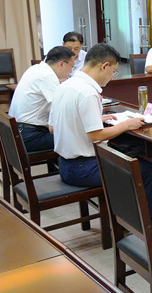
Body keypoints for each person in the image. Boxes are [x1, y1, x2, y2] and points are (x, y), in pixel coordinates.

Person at [49, 43, 145, 187]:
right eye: (114, 71)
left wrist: (93, 120)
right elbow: (96, 136)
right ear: (104, 66)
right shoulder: (87, 92)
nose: (112, 77)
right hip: (85, 169)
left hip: (64, 165)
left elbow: (52, 127)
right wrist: (126, 125)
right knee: (146, 169)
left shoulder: (64, 86)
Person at [8, 46, 76, 152]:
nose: (71, 71)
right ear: (61, 64)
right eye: (72, 66)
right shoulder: (48, 76)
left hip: (17, 132)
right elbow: (62, 108)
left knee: (71, 135)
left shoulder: (36, 68)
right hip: (30, 136)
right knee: (79, 139)